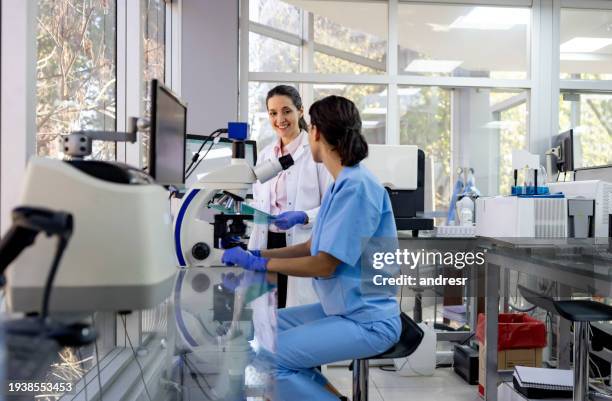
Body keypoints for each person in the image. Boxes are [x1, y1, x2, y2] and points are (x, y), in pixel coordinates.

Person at [223, 95, 401, 400]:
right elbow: (311, 245)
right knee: (261, 330)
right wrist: (258, 254)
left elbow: (323, 263)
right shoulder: (341, 183)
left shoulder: (356, 187)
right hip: (342, 308)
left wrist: (261, 265)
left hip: (367, 320)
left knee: (271, 358)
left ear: (315, 131)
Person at [249, 85, 332, 308]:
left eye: (286, 111)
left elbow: (332, 206)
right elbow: (258, 199)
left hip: (300, 242)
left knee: (294, 310)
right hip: (268, 241)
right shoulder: (266, 154)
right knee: (268, 314)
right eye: (273, 113)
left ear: (300, 111)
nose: (280, 119)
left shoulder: (316, 152)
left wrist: (303, 216)